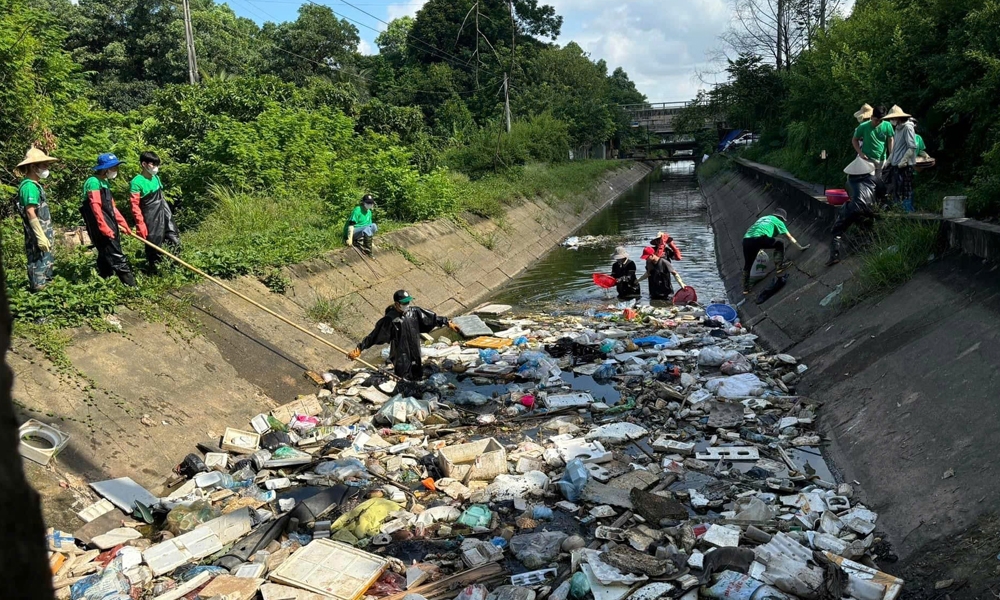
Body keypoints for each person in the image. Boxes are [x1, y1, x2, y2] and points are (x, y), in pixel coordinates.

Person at [348, 290, 458, 381]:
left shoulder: (414, 312)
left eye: (408, 302)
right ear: (397, 304)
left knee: (417, 376)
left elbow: (431, 319)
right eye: (404, 303)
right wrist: (359, 348)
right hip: (401, 355)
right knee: (403, 380)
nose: (407, 305)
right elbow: (374, 335)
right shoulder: (390, 319)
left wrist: (447, 322)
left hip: (415, 351)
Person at [80, 153, 136, 286]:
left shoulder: (104, 182)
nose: (116, 170)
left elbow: (112, 207)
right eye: (114, 167)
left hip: (109, 221)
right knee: (116, 255)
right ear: (105, 169)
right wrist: (103, 226)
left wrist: (123, 223)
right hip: (98, 224)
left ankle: (105, 281)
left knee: (105, 254)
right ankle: (132, 287)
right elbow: (95, 207)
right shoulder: (93, 182)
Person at [13, 148, 58, 292]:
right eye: (44, 165)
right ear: (33, 167)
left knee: (46, 264)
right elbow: (30, 212)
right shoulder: (29, 187)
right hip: (37, 236)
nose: (47, 168)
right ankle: (38, 304)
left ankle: (47, 299)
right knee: (38, 265)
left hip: (44, 235)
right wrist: (40, 236)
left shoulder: (36, 186)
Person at [129, 151, 180, 272]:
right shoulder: (136, 182)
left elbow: (160, 196)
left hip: (163, 210)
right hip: (150, 214)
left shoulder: (155, 177)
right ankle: (156, 270)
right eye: (154, 164)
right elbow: (134, 206)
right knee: (154, 242)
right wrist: (140, 224)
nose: (156, 168)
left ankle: (175, 266)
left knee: (173, 236)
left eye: (157, 164)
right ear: (144, 164)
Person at [741, 209, 809, 295]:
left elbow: (751, 230)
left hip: (746, 240)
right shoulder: (779, 222)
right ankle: (779, 267)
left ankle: (746, 289)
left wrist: (758, 247)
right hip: (759, 239)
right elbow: (789, 237)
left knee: (748, 264)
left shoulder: (763, 218)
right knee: (780, 243)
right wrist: (801, 247)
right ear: (782, 218)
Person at [827, 157, 880, 266]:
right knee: (868, 226)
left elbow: (852, 196)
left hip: (853, 208)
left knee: (836, 231)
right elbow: (882, 191)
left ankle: (834, 256)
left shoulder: (849, 182)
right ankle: (870, 245)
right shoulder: (874, 179)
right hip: (871, 208)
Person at [884, 105, 918, 213]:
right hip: (896, 164)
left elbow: (912, 146)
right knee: (897, 189)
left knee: (905, 190)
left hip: (904, 165)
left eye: (893, 118)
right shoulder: (897, 129)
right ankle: (899, 210)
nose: (892, 121)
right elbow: (895, 148)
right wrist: (888, 161)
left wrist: (904, 160)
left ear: (898, 118)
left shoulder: (908, 127)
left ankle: (907, 212)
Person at [852, 105, 894, 181]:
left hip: (881, 159)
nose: (878, 122)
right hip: (868, 158)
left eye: (880, 121)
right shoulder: (863, 126)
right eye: (876, 120)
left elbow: (890, 139)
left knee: (878, 181)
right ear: (871, 117)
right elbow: (854, 140)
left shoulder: (887, 125)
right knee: (870, 180)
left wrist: (891, 155)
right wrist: (860, 153)